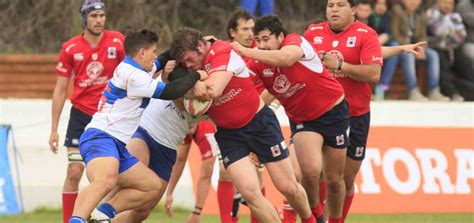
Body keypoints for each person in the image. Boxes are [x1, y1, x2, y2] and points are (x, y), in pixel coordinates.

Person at [170, 27, 316, 223]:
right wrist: (177, 83)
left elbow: (212, 90)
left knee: (288, 186)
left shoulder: (222, 52)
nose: (187, 66)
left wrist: (190, 81)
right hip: (229, 135)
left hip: (259, 125)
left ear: (200, 47)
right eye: (183, 63)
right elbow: (181, 105)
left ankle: (312, 220)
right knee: (251, 194)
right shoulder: (191, 65)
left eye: (189, 60)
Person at [68, 29, 206, 223]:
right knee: (105, 181)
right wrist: (197, 75)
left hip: (117, 144)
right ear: (142, 53)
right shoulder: (134, 76)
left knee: (152, 187)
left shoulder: (138, 69)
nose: (156, 56)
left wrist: (197, 44)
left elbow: (165, 58)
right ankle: (77, 220)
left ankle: (104, 213)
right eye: (153, 51)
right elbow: (171, 91)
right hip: (101, 137)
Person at [233, 15, 350, 223]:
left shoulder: (295, 42)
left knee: (333, 179)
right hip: (304, 120)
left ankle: (336, 220)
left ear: (280, 36)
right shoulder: (258, 62)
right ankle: (316, 218)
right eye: (257, 41)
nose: (261, 45)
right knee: (310, 172)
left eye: (266, 39)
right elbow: (244, 87)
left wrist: (244, 50)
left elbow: (285, 59)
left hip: (334, 112)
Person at [303, 0, 383, 221]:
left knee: (343, 181)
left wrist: (340, 66)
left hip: (355, 115)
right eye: (330, 5)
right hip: (322, 114)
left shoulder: (366, 34)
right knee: (315, 174)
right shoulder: (312, 33)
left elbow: (374, 74)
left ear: (354, 10)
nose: (334, 9)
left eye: (340, 4)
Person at [49, 1, 125, 222]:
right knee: (74, 172)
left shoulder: (118, 42)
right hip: (81, 116)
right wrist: (53, 129)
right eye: (94, 16)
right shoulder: (71, 48)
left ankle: (102, 218)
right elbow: (60, 88)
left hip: (110, 117)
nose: (99, 20)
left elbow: (132, 73)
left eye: (102, 15)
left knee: (109, 178)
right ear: (84, 19)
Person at [390, 0, 449, 101]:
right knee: (409, 56)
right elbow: (395, 35)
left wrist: (421, 47)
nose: (413, 2)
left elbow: (422, 35)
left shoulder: (420, 13)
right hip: (401, 47)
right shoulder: (396, 11)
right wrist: (410, 47)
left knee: (433, 55)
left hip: (415, 47)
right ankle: (413, 91)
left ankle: (433, 90)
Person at [164, 120, 219, 223]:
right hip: (189, 122)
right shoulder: (184, 127)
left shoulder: (206, 131)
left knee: (225, 174)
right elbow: (180, 160)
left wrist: (197, 211)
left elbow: (206, 175)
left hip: (229, 131)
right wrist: (169, 193)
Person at [427, 0, 467, 101]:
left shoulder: (455, 16)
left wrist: (448, 32)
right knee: (443, 63)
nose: (447, 5)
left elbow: (462, 37)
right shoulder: (431, 13)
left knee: (464, 62)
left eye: (450, 3)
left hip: (453, 48)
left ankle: (466, 91)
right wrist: (454, 32)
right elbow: (438, 32)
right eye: (445, 2)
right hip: (436, 47)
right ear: (438, 2)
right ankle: (451, 93)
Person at [368, 0, 401, 99]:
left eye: (384, 4)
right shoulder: (368, 15)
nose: (381, 7)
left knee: (395, 47)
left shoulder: (389, 16)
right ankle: (372, 89)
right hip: (369, 45)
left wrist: (387, 36)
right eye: (379, 3)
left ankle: (382, 86)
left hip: (384, 45)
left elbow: (392, 33)